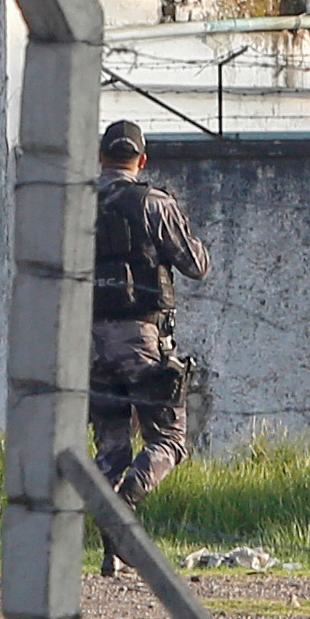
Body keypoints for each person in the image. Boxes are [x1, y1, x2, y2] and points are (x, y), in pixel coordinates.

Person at [89, 119, 211, 507]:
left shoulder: (74, 205)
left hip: (87, 343)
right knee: (169, 440)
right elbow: (197, 265)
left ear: (100, 157)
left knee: (111, 451)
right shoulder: (153, 203)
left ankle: (105, 543)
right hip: (141, 339)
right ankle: (125, 508)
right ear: (141, 160)